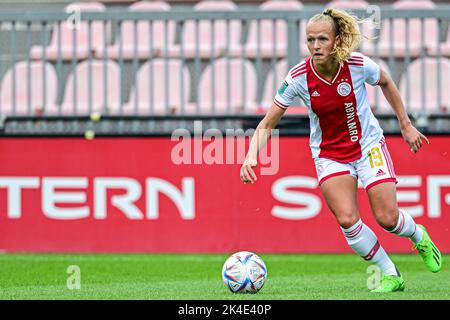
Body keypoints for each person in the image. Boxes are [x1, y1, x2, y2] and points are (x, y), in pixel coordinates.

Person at [240, 8, 442, 293]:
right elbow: (268, 121)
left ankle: (418, 234)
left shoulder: (358, 64)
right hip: (329, 154)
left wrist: (406, 125)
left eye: (322, 39)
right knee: (347, 220)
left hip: (368, 145)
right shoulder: (298, 77)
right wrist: (251, 155)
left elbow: (386, 82)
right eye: (310, 40)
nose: (315, 46)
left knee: (387, 218)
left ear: (336, 41)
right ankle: (390, 273)